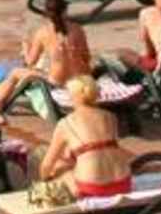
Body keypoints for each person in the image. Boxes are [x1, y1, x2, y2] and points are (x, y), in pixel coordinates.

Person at [0, 0, 92, 124]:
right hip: (82, 78)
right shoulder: (78, 29)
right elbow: (86, 57)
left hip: (58, 82)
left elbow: (30, 62)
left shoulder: (43, 33)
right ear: (65, 10)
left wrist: (26, 49)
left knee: (15, 73)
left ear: (47, 13)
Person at [26, 73, 132, 205]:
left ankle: (44, 192)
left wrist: (45, 179)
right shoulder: (110, 117)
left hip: (92, 188)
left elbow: (47, 165)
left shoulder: (66, 123)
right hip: (123, 183)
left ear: (73, 97)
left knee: (56, 164)